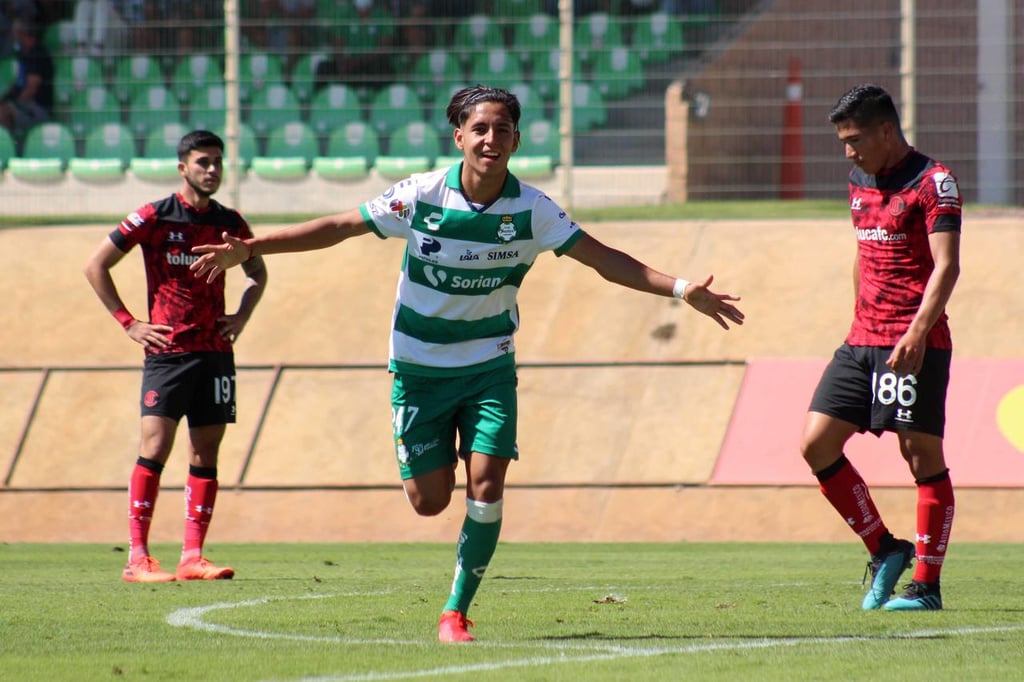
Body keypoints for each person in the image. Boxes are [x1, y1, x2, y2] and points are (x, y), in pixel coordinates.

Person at [190, 85, 744, 641]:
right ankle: (436, 471)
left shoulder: (533, 210)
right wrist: (251, 247)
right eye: (480, 129)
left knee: (487, 479)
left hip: (488, 368)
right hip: (418, 369)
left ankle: (455, 610)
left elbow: (603, 259)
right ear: (459, 137)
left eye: (502, 130)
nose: (490, 139)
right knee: (430, 502)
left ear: (517, 141)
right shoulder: (421, 195)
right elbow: (339, 227)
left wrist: (681, 289)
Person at [800, 84, 961, 611]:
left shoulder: (934, 183)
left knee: (920, 456)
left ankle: (926, 586)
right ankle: (884, 548)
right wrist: (857, 318)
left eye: (854, 139)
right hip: (861, 341)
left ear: (886, 130)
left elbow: (947, 267)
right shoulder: (858, 181)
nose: (848, 151)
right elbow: (862, 252)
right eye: (843, 141)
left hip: (916, 341)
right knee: (817, 444)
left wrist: (916, 331)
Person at [84, 130, 269, 584]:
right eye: (203, 161)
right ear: (183, 167)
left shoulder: (230, 223)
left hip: (215, 353)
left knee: (206, 453)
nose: (212, 169)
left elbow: (257, 273)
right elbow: (96, 265)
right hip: (168, 353)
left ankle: (192, 556)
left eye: (218, 162)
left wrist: (241, 316)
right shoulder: (154, 216)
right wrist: (130, 323)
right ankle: (138, 557)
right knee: (155, 447)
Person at [0, 17, 52, 136]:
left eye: (15, 34)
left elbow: (31, 89)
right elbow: (17, 85)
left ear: (22, 34)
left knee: (2, 113)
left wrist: (13, 105)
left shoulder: (37, 54)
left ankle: (10, 150)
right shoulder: (24, 54)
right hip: (25, 106)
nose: (14, 38)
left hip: (38, 109)